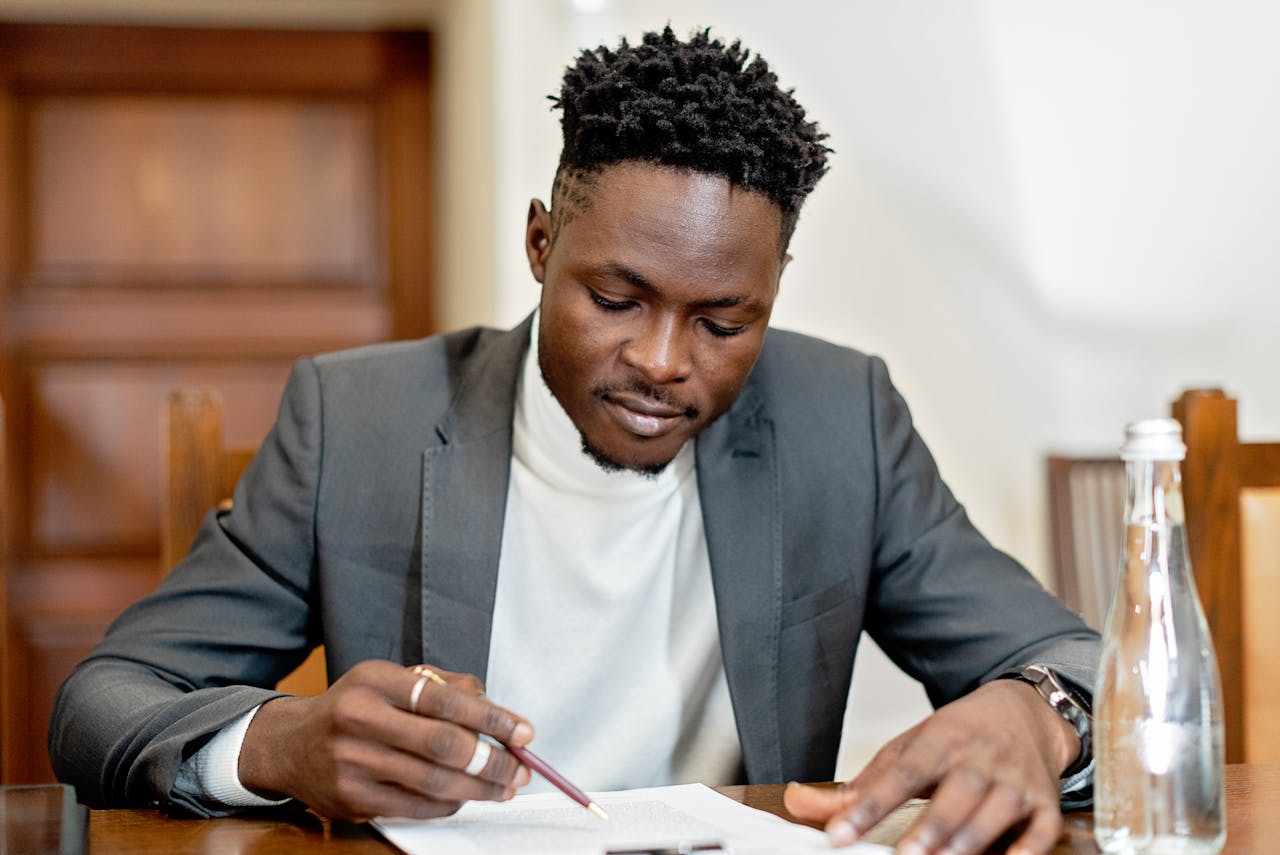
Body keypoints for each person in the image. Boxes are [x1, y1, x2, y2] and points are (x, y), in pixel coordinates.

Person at [50, 26, 1099, 855]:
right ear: (540, 243)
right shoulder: (355, 422)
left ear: (772, 294)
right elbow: (103, 699)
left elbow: (1074, 660)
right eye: (614, 298)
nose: (661, 360)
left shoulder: (842, 417)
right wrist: (284, 741)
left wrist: (1036, 712)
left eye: (722, 322)